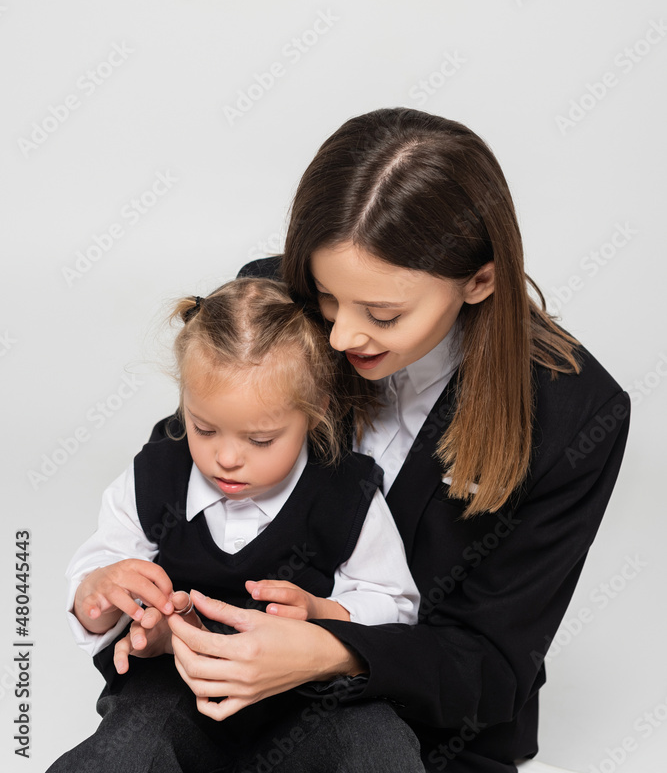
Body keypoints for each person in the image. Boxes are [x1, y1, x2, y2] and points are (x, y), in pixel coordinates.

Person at [163, 108, 631, 773]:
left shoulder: (573, 411)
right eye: (327, 297)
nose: (340, 337)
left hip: (429, 732)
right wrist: (153, 603)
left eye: (382, 314)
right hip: (235, 702)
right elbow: (183, 502)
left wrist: (331, 648)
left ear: (479, 280)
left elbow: (493, 668)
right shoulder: (269, 304)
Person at [47, 276, 422, 773]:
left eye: (260, 440)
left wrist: (323, 612)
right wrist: (105, 595)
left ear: (315, 414)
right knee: (126, 752)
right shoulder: (153, 477)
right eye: (204, 428)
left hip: (309, 696)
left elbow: (395, 606)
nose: (226, 458)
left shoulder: (346, 494)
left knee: (379, 751)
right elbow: (96, 590)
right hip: (176, 690)